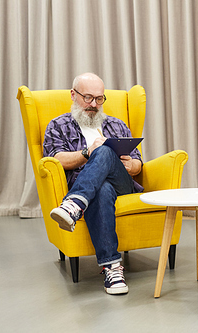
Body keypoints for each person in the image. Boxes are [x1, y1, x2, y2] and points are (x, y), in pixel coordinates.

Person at [43, 73, 143, 295]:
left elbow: (138, 163)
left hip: (122, 185)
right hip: (92, 187)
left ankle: (73, 205)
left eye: (99, 99)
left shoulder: (117, 125)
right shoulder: (58, 125)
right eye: (87, 98)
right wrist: (88, 153)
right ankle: (112, 268)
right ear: (73, 95)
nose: (93, 105)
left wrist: (130, 165)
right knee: (102, 188)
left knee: (106, 151)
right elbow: (55, 159)